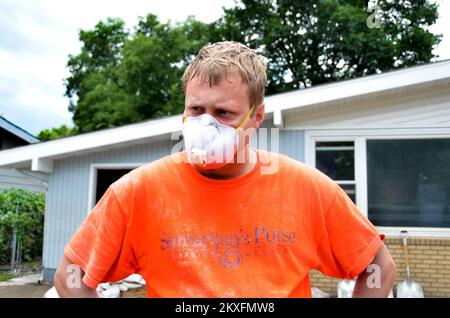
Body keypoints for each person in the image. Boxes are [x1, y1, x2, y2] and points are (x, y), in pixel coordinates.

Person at [54, 41, 395, 298]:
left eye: (224, 113)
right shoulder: (138, 192)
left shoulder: (307, 189)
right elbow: (70, 275)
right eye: (196, 109)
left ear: (256, 116)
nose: (206, 124)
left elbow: (378, 267)